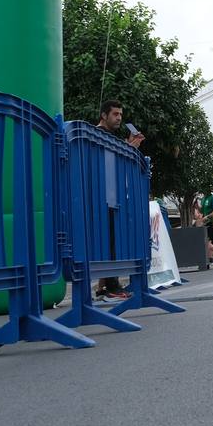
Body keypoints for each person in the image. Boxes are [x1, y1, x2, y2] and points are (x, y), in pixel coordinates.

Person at [93, 99, 144, 299]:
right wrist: (130, 148)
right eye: (115, 114)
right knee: (109, 240)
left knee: (109, 239)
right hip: (103, 195)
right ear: (104, 115)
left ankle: (103, 285)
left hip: (109, 194)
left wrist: (129, 147)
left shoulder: (107, 136)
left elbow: (114, 159)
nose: (119, 118)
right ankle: (111, 286)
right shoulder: (99, 133)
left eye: (121, 115)